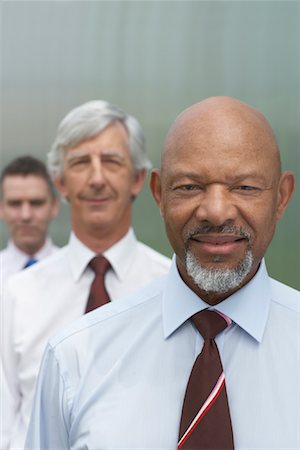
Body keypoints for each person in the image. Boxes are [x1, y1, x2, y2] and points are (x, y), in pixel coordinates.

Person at [24, 96, 299, 450]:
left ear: (281, 197)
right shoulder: (75, 358)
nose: (216, 212)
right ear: (158, 194)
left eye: (244, 187)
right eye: (189, 186)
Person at [0, 100, 171, 450]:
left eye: (111, 161)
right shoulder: (15, 295)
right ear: (59, 183)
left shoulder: (172, 287)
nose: (96, 178)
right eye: (80, 163)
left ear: (138, 178)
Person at [0, 155, 59, 279]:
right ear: (1, 208)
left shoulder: (78, 273)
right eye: (15, 204)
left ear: (54, 206)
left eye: (36, 203)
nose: (25, 215)